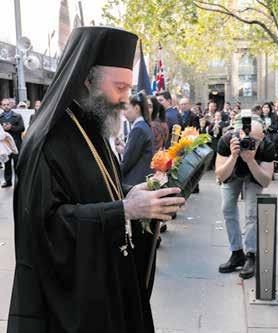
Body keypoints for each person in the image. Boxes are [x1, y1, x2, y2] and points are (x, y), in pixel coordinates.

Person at [7, 27, 185, 333]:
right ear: (87, 80)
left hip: (106, 280)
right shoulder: (49, 139)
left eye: (128, 89)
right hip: (69, 304)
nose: (125, 99)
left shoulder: (95, 126)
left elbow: (99, 188)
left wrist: (137, 194)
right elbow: (46, 228)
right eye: (119, 87)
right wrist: (125, 210)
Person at [215, 113, 275, 279]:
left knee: (251, 212)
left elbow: (265, 181)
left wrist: (250, 161)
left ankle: (251, 255)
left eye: (254, 141)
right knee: (227, 208)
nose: (249, 144)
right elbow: (220, 175)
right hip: (232, 172)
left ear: (262, 137)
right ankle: (236, 252)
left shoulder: (267, 146)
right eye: (246, 138)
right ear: (239, 133)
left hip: (254, 175)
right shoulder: (228, 140)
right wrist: (234, 156)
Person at [121, 91, 155, 186]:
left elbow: (127, 162)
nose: (123, 113)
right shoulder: (143, 126)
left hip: (136, 182)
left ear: (136, 108)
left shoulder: (138, 129)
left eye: (126, 109)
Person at [0, 97, 25, 187]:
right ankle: (8, 181)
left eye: (7, 104)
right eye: (4, 105)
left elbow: (22, 128)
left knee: (17, 163)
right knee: (6, 163)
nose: (6, 106)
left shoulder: (17, 116)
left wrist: (11, 127)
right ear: (1, 106)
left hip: (16, 143)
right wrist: (3, 129)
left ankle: (19, 181)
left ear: (10, 105)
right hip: (5, 145)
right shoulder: (0, 117)